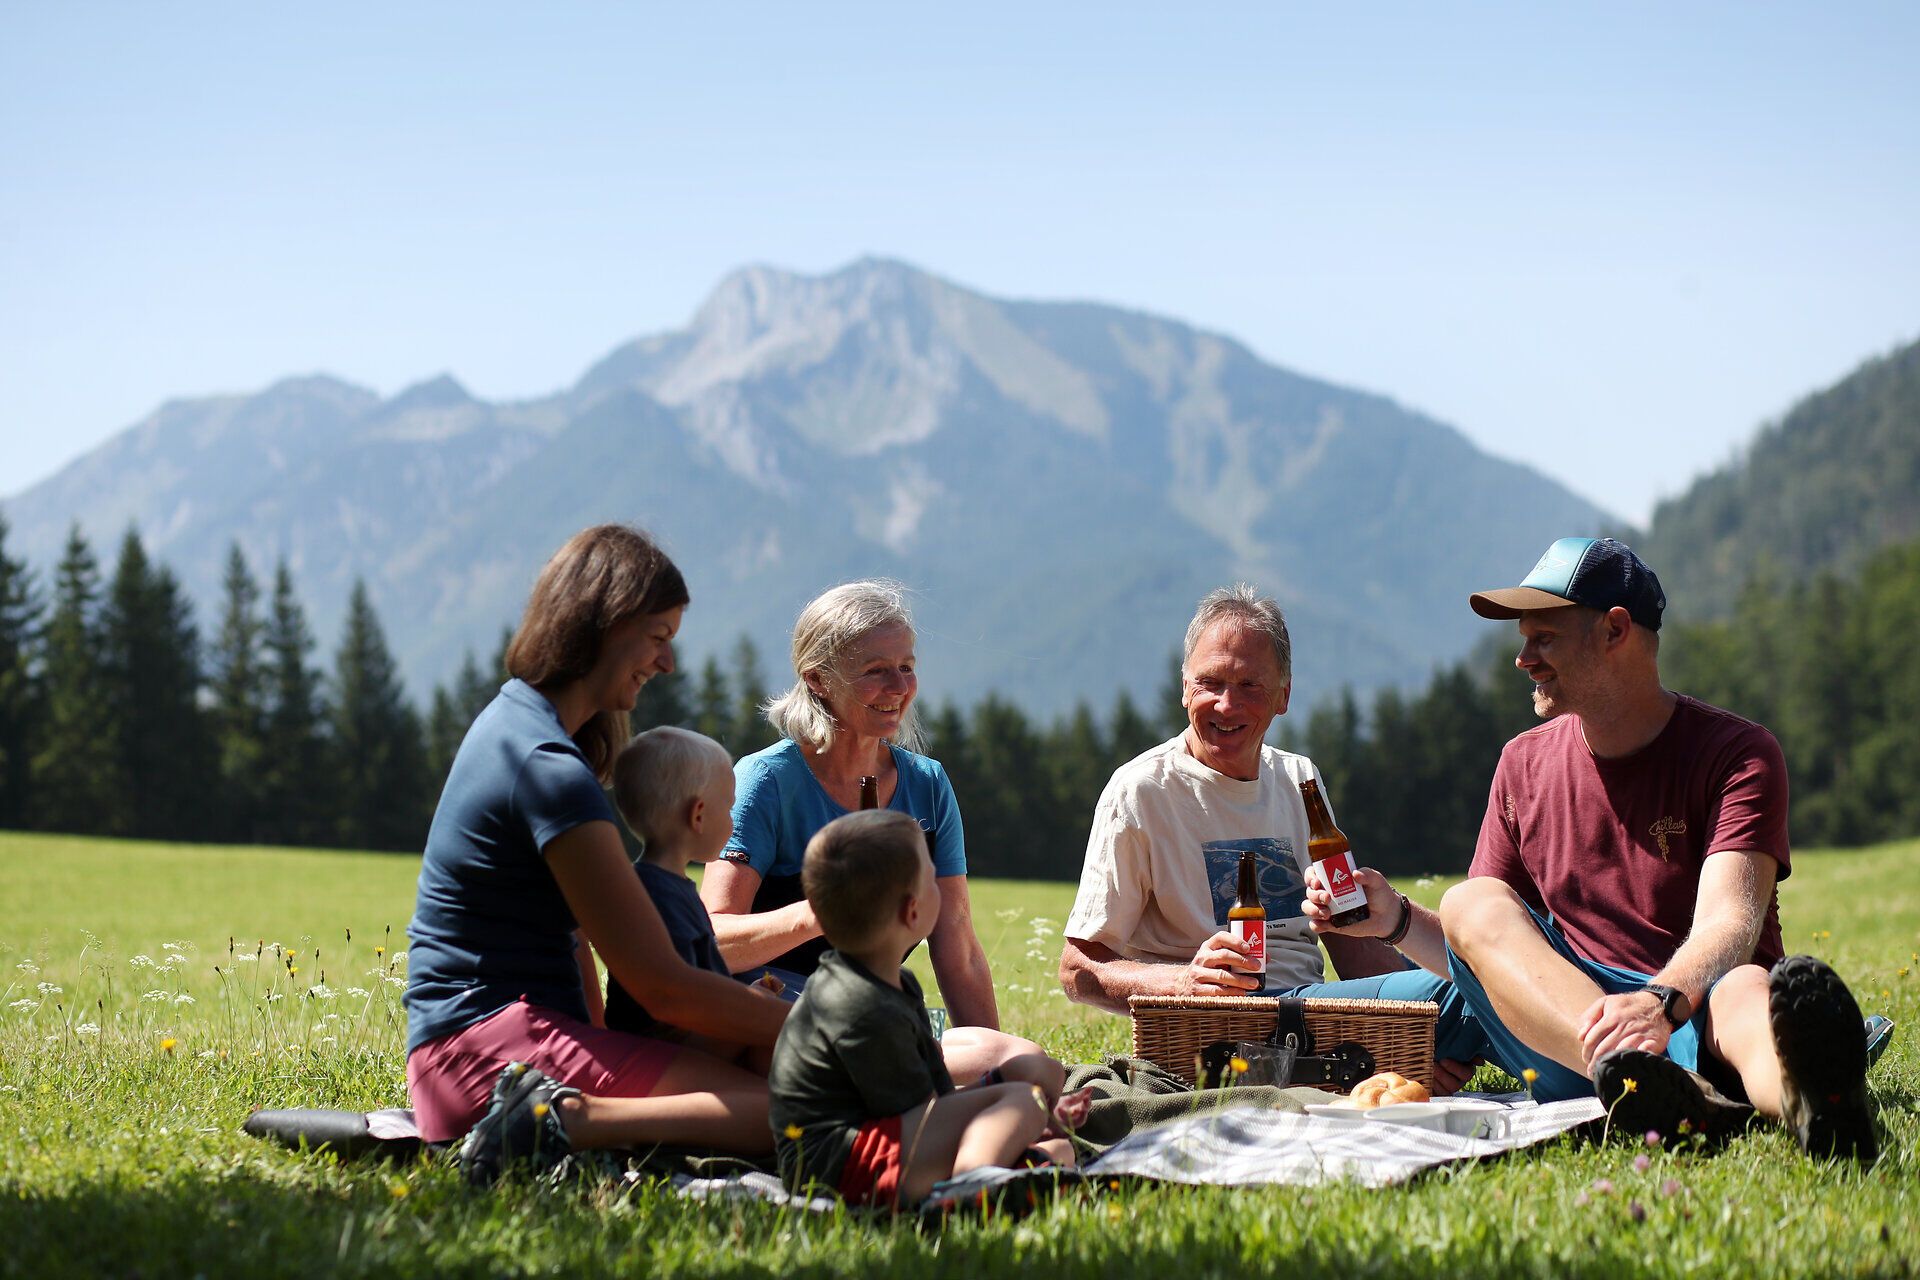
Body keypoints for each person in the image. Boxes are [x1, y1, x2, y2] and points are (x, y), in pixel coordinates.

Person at [1419, 535, 1873, 1159]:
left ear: (1614, 630)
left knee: (1747, 989)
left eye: (1543, 638)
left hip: (1693, 1005)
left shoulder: (1737, 754)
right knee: (1470, 903)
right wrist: (1391, 921)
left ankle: (1812, 1103)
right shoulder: (1521, 764)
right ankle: (1655, 1081)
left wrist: (1659, 1004)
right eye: (1522, 640)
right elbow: (1487, 947)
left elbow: (1731, 922)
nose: (1523, 659)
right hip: (1583, 1034)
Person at [404, 525, 787, 1183]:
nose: (666, 663)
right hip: (488, 1060)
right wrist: (821, 1027)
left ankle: (576, 1124)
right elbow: (662, 986)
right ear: (607, 625)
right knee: (790, 1111)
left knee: (747, 1095)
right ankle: (557, 1124)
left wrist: (614, 1050)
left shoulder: (518, 728)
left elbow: (580, 947)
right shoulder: (548, 768)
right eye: (659, 637)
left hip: (467, 1051)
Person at [1057, 584, 1489, 1090]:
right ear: (1183, 688)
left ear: (1284, 695)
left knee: (1486, 985)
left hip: (1313, 1017)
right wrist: (1181, 983)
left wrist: (1408, 1037)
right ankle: (1598, 1080)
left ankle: (1584, 1070)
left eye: (1249, 686)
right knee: (1493, 992)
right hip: (1214, 1034)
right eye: (1209, 683)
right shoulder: (1140, 791)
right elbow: (1077, 969)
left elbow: (1348, 943)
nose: (1225, 703)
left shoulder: (1299, 778)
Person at [699, 580, 1037, 1078]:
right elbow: (711, 940)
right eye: (875, 671)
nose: (899, 688)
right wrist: (822, 913)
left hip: (879, 1015)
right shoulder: (766, 781)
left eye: (906, 667)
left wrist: (993, 1061)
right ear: (817, 679)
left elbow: (958, 948)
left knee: (1021, 1061)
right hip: (775, 1020)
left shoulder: (927, 785)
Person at [769, 810, 1089, 1207]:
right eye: (931, 876)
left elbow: (933, 1094)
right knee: (1028, 1099)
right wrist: (1022, 1109)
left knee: (1054, 1135)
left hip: (881, 1145)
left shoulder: (891, 984)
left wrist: (1026, 1118)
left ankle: (996, 1175)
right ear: (912, 911)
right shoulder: (860, 1007)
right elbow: (919, 1112)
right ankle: (971, 1187)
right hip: (842, 1168)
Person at [602, 726, 779, 1072]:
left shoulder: (663, 885)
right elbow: (692, 1002)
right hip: (666, 1053)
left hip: (672, 1043)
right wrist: (751, 1005)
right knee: (776, 1044)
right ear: (698, 816)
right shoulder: (660, 896)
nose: (732, 822)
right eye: (728, 809)